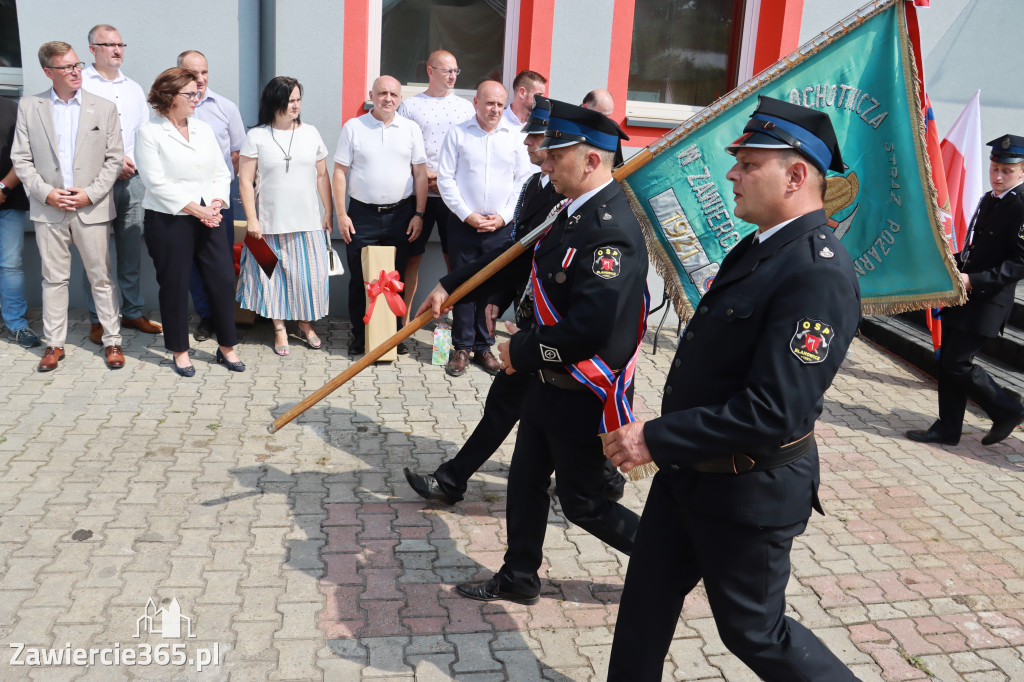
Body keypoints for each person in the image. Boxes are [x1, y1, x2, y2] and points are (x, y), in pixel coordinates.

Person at [602, 96, 862, 681]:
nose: (732, 174)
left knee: (753, 632)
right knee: (645, 605)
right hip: (690, 472)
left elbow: (773, 410)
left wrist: (657, 437)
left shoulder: (817, 272)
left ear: (796, 176)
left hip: (748, 490)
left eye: (748, 164)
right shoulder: (761, 243)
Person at [420, 100, 647, 605]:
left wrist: (519, 351)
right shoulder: (570, 211)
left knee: (584, 503)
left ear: (591, 161)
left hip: (581, 388)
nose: (543, 162)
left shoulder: (609, 229)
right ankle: (519, 575)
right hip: (547, 381)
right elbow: (515, 255)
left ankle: (673, 557)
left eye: (555, 155)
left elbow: (590, 327)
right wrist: (453, 285)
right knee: (524, 481)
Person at [11, 41, 125, 372]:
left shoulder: (103, 107)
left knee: (101, 278)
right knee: (53, 279)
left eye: (77, 65)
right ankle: (54, 344)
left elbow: (114, 158)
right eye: (67, 67)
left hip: (91, 208)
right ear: (49, 72)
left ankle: (113, 341)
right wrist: (45, 192)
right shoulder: (29, 107)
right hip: (50, 208)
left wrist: (90, 194)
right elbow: (21, 158)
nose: (77, 71)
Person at [906, 134, 1024, 447]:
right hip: (964, 295)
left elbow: (1018, 264)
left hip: (988, 301)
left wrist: (976, 280)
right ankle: (948, 428)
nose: (998, 176)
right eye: (995, 168)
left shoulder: (1021, 206)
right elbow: (974, 250)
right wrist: (947, 264)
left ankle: (1008, 409)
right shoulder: (989, 200)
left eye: (1007, 171)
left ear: (1022, 172)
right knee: (948, 363)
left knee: (958, 363)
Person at [134, 67, 243, 377]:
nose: (197, 98)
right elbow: (156, 183)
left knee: (222, 280)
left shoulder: (203, 129)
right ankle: (180, 351)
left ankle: (227, 346)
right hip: (170, 222)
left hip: (210, 217)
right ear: (169, 97)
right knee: (175, 286)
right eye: (190, 94)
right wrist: (198, 210)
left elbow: (222, 172)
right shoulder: (148, 133)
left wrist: (218, 203)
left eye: (198, 92)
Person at [437, 80, 530, 376]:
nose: (495, 109)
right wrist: (467, 214)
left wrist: (504, 216)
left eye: (501, 104)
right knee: (463, 286)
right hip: (465, 224)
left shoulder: (515, 137)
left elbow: (522, 181)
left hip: (501, 226)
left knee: (491, 286)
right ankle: (462, 347)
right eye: (490, 103)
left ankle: (483, 346)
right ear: (476, 102)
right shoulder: (458, 134)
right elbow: (445, 179)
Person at [236, 77, 333, 355]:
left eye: (298, 99)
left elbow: (322, 175)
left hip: (307, 221)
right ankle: (279, 329)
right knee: (271, 278)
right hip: (266, 225)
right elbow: (245, 181)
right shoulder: (257, 136)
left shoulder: (311, 132)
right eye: (290, 100)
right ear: (274, 101)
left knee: (309, 279)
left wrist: (328, 211)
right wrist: (251, 219)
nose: (296, 105)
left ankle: (305, 323)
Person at [333, 75, 427, 356]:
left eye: (394, 94)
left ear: (400, 99)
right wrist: (341, 214)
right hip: (362, 215)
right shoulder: (354, 127)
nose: (388, 98)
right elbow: (339, 172)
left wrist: (419, 213)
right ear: (372, 95)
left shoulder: (411, 129)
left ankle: (393, 336)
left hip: (402, 214)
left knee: (395, 278)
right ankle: (360, 335)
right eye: (382, 93)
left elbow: (420, 173)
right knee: (361, 279)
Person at [81, 24, 162, 345]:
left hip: (132, 180)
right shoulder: (81, 85)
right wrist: (112, 164)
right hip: (95, 182)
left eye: (120, 44)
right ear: (92, 50)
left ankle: (131, 312)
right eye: (108, 44)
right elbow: (79, 138)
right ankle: (98, 318)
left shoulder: (133, 88)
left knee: (130, 251)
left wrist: (134, 163)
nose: (116, 50)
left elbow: (144, 135)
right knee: (95, 255)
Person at [396, 50, 474, 324]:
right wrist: (427, 176)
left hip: (453, 197)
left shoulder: (465, 108)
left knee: (455, 261)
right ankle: (401, 321)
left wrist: (446, 181)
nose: (453, 76)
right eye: (447, 70)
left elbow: (471, 151)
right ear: (430, 71)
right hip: (419, 196)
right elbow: (401, 149)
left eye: (456, 71)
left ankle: (458, 322)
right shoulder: (410, 106)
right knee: (411, 259)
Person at [177, 50, 246, 342]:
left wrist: (221, 194)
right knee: (191, 260)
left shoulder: (225, 108)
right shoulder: (171, 110)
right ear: (179, 73)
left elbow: (237, 154)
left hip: (219, 197)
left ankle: (223, 315)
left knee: (218, 259)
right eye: (193, 74)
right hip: (183, 197)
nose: (201, 79)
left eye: (205, 72)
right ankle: (206, 315)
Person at [1, 95, 41, 349]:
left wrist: (3, 186)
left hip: (8, 200)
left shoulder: (12, 109)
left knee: (10, 264)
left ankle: (16, 324)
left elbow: (25, 155)